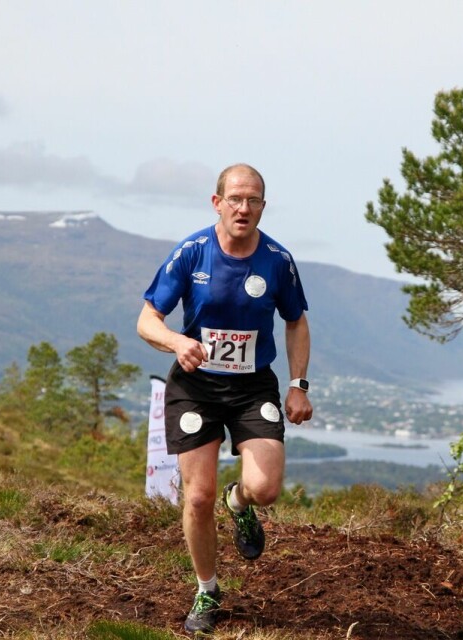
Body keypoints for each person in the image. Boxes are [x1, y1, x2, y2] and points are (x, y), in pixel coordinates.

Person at [137, 163, 313, 635]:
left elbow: (295, 321)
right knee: (197, 497)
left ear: (262, 205)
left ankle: (240, 504)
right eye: (235, 198)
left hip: (253, 387)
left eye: (253, 199)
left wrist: (299, 384)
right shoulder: (192, 252)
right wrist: (177, 342)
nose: (244, 207)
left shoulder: (277, 260)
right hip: (196, 387)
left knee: (266, 489)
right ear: (217, 202)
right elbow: (147, 319)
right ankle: (207, 589)